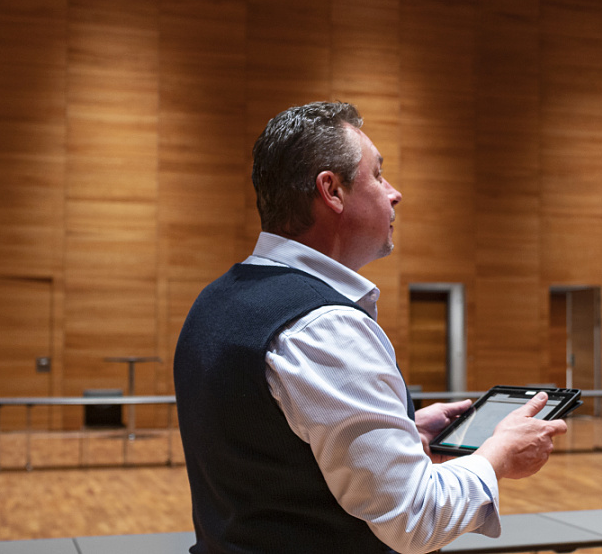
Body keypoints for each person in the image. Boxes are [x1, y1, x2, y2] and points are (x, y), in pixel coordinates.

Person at [174, 101, 567, 553]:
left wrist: (402, 433)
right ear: (332, 191)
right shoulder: (323, 326)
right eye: (378, 175)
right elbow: (415, 519)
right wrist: (497, 455)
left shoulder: (217, 300)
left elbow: (269, 449)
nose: (394, 192)